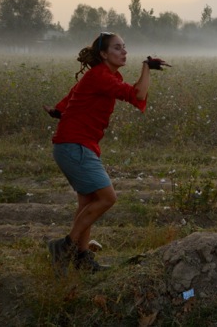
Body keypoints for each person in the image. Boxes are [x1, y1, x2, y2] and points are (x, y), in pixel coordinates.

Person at [43, 32, 169, 275]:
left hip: (76, 145)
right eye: (117, 48)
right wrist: (146, 67)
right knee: (107, 198)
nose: (124, 52)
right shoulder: (100, 76)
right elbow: (138, 95)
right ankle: (65, 247)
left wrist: (58, 111)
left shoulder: (101, 76)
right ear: (103, 54)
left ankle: (81, 259)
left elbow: (73, 96)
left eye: (124, 47)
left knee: (87, 204)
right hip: (75, 145)